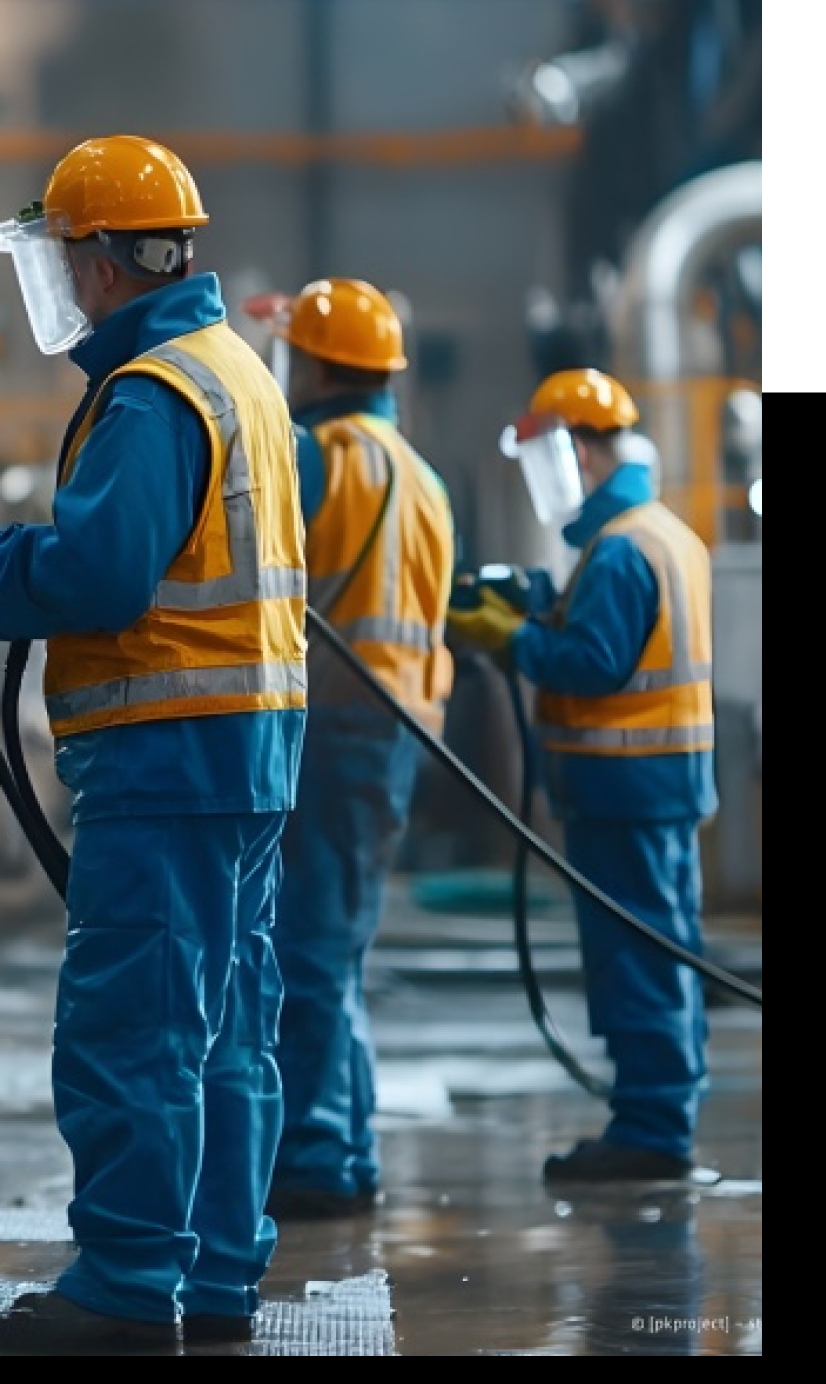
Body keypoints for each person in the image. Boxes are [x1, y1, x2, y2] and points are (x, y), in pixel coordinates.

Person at [0, 135, 308, 1353]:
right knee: (225, 1028)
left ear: (103, 263)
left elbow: (101, 572)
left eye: (61, 255)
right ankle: (211, 1280)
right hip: (245, 755)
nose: (60, 282)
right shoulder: (237, 373)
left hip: (165, 756)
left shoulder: (155, 390)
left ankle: (120, 1290)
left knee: (134, 1028)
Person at [447, 367, 716, 1183]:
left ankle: (651, 1129)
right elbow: (599, 623)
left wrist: (509, 640)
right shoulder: (652, 532)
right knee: (665, 950)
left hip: (622, 787)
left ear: (582, 453)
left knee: (636, 957)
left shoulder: (621, 551)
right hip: (657, 784)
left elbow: (593, 663)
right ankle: (663, 1109)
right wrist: (526, 597)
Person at [242, 277, 457, 1220]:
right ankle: (350, 1141)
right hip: (399, 730)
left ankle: (314, 1154)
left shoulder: (313, 452)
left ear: (319, 363)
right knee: (341, 939)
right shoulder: (421, 473)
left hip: (328, 722)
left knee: (310, 946)